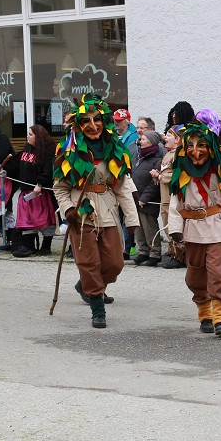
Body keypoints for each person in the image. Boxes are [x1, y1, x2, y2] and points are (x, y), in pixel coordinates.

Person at [52, 94, 139, 329]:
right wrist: (69, 210)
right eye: (86, 122)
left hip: (108, 210)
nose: (92, 126)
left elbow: (122, 188)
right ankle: (97, 308)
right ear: (78, 125)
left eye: (97, 119)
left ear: (105, 121)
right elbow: (59, 188)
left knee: (114, 263)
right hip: (81, 214)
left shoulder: (115, 150)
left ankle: (87, 285)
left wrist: (132, 219)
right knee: (89, 262)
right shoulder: (69, 151)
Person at [167, 121, 221, 335]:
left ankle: (220, 319)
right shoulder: (181, 176)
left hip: (216, 228)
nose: (196, 152)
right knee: (194, 277)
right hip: (192, 231)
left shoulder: (219, 172)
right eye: (191, 146)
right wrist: (175, 230)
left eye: (202, 146)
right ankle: (205, 312)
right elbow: (175, 204)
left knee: (217, 274)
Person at [4, 125, 57, 257]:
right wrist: (4, 170)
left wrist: (40, 183)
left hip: (40, 193)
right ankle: (28, 245)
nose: (28, 136)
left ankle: (46, 245)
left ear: (38, 137)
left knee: (44, 220)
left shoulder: (46, 153)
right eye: (28, 134)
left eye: (31, 134)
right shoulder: (25, 152)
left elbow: (48, 171)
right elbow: (14, 167)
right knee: (27, 220)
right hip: (26, 193)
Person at [132, 130, 165, 266]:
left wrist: (144, 198)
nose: (140, 141)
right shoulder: (141, 157)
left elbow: (154, 184)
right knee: (138, 227)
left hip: (147, 200)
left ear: (151, 142)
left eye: (144, 139)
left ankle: (155, 253)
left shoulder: (157, 160)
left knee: (149, 226)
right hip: (136, 198)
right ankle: (143, 251)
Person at [158, 127, 181, 269]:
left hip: (173, 195)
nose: (165, 137)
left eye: (169, 135)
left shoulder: (178, 155)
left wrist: (161, 176)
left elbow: (176, 174)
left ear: (177, 139)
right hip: (164, 196)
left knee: (174, 222)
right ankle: (172, 250)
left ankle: (179, 254)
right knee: (166, 219)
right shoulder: (168, 154)